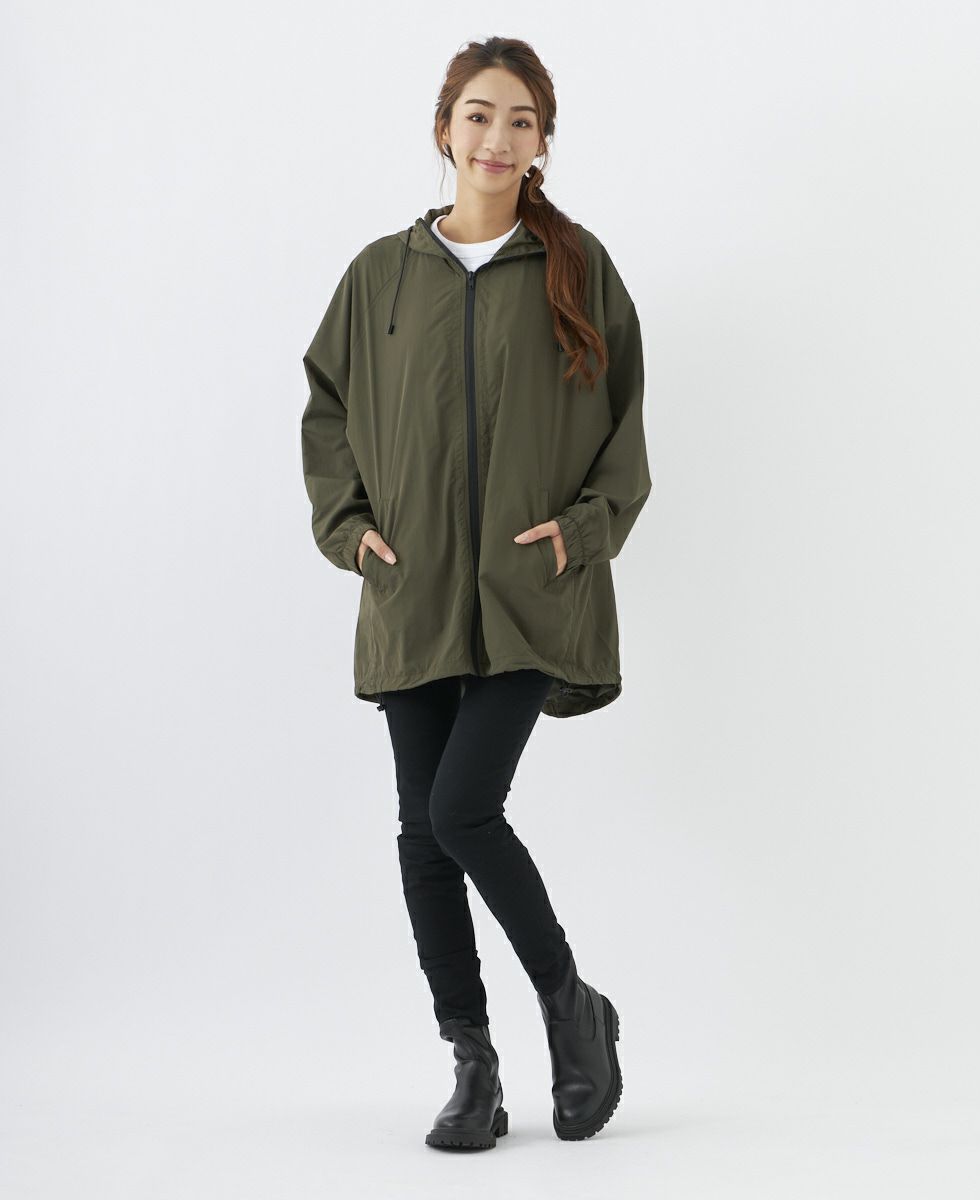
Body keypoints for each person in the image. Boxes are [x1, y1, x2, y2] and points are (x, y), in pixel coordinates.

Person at [300, 35, 651, 1150]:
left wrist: (581, 534)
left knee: (462, 810)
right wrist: (348, 529)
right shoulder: (379, 276)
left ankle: (571, 1007)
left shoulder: (576, 269)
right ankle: (472, 1061)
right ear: (444, 128)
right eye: (480, 115)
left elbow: (626, 433)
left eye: (521, 121)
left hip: (530, 590)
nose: (498, 138)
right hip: (411, 590)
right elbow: (325, 407)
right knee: (422, 832)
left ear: (542, 142)